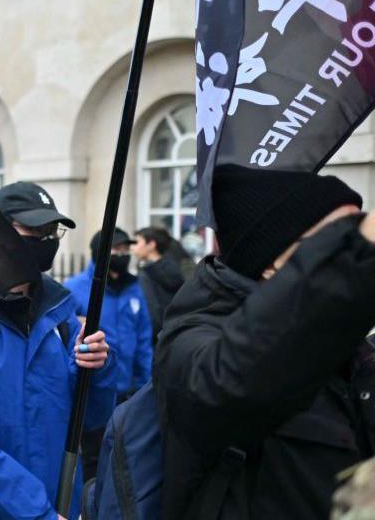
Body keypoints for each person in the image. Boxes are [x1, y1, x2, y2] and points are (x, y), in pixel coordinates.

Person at [155, 165, 375, 519]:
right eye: (338, 238)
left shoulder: (349, 338)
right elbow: (225, 388)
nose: (350, 249)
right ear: (274, 261)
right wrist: (358, 254)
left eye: (355, 232)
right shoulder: (196, 338)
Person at [0, 181, 116, 520]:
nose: (46, 239)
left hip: (60, 505)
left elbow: (92, 418)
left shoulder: (63, 316)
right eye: (34, 228)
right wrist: (35, 512)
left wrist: (97, 368)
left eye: (52, 230)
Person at [65, 227, 153, 398]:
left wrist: (145, 383)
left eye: (125, 250)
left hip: (129, 389)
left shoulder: (134, 287)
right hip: (93, 389)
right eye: (116, 249)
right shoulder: (74, 289)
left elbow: (143, 339)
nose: (122, 254)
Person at [131, 227, 185, 344]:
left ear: (151, 244)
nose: (132, 247)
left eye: (137, 242)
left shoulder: (150, 273)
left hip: (156, 340)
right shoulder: (171, 268)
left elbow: (153, 310)